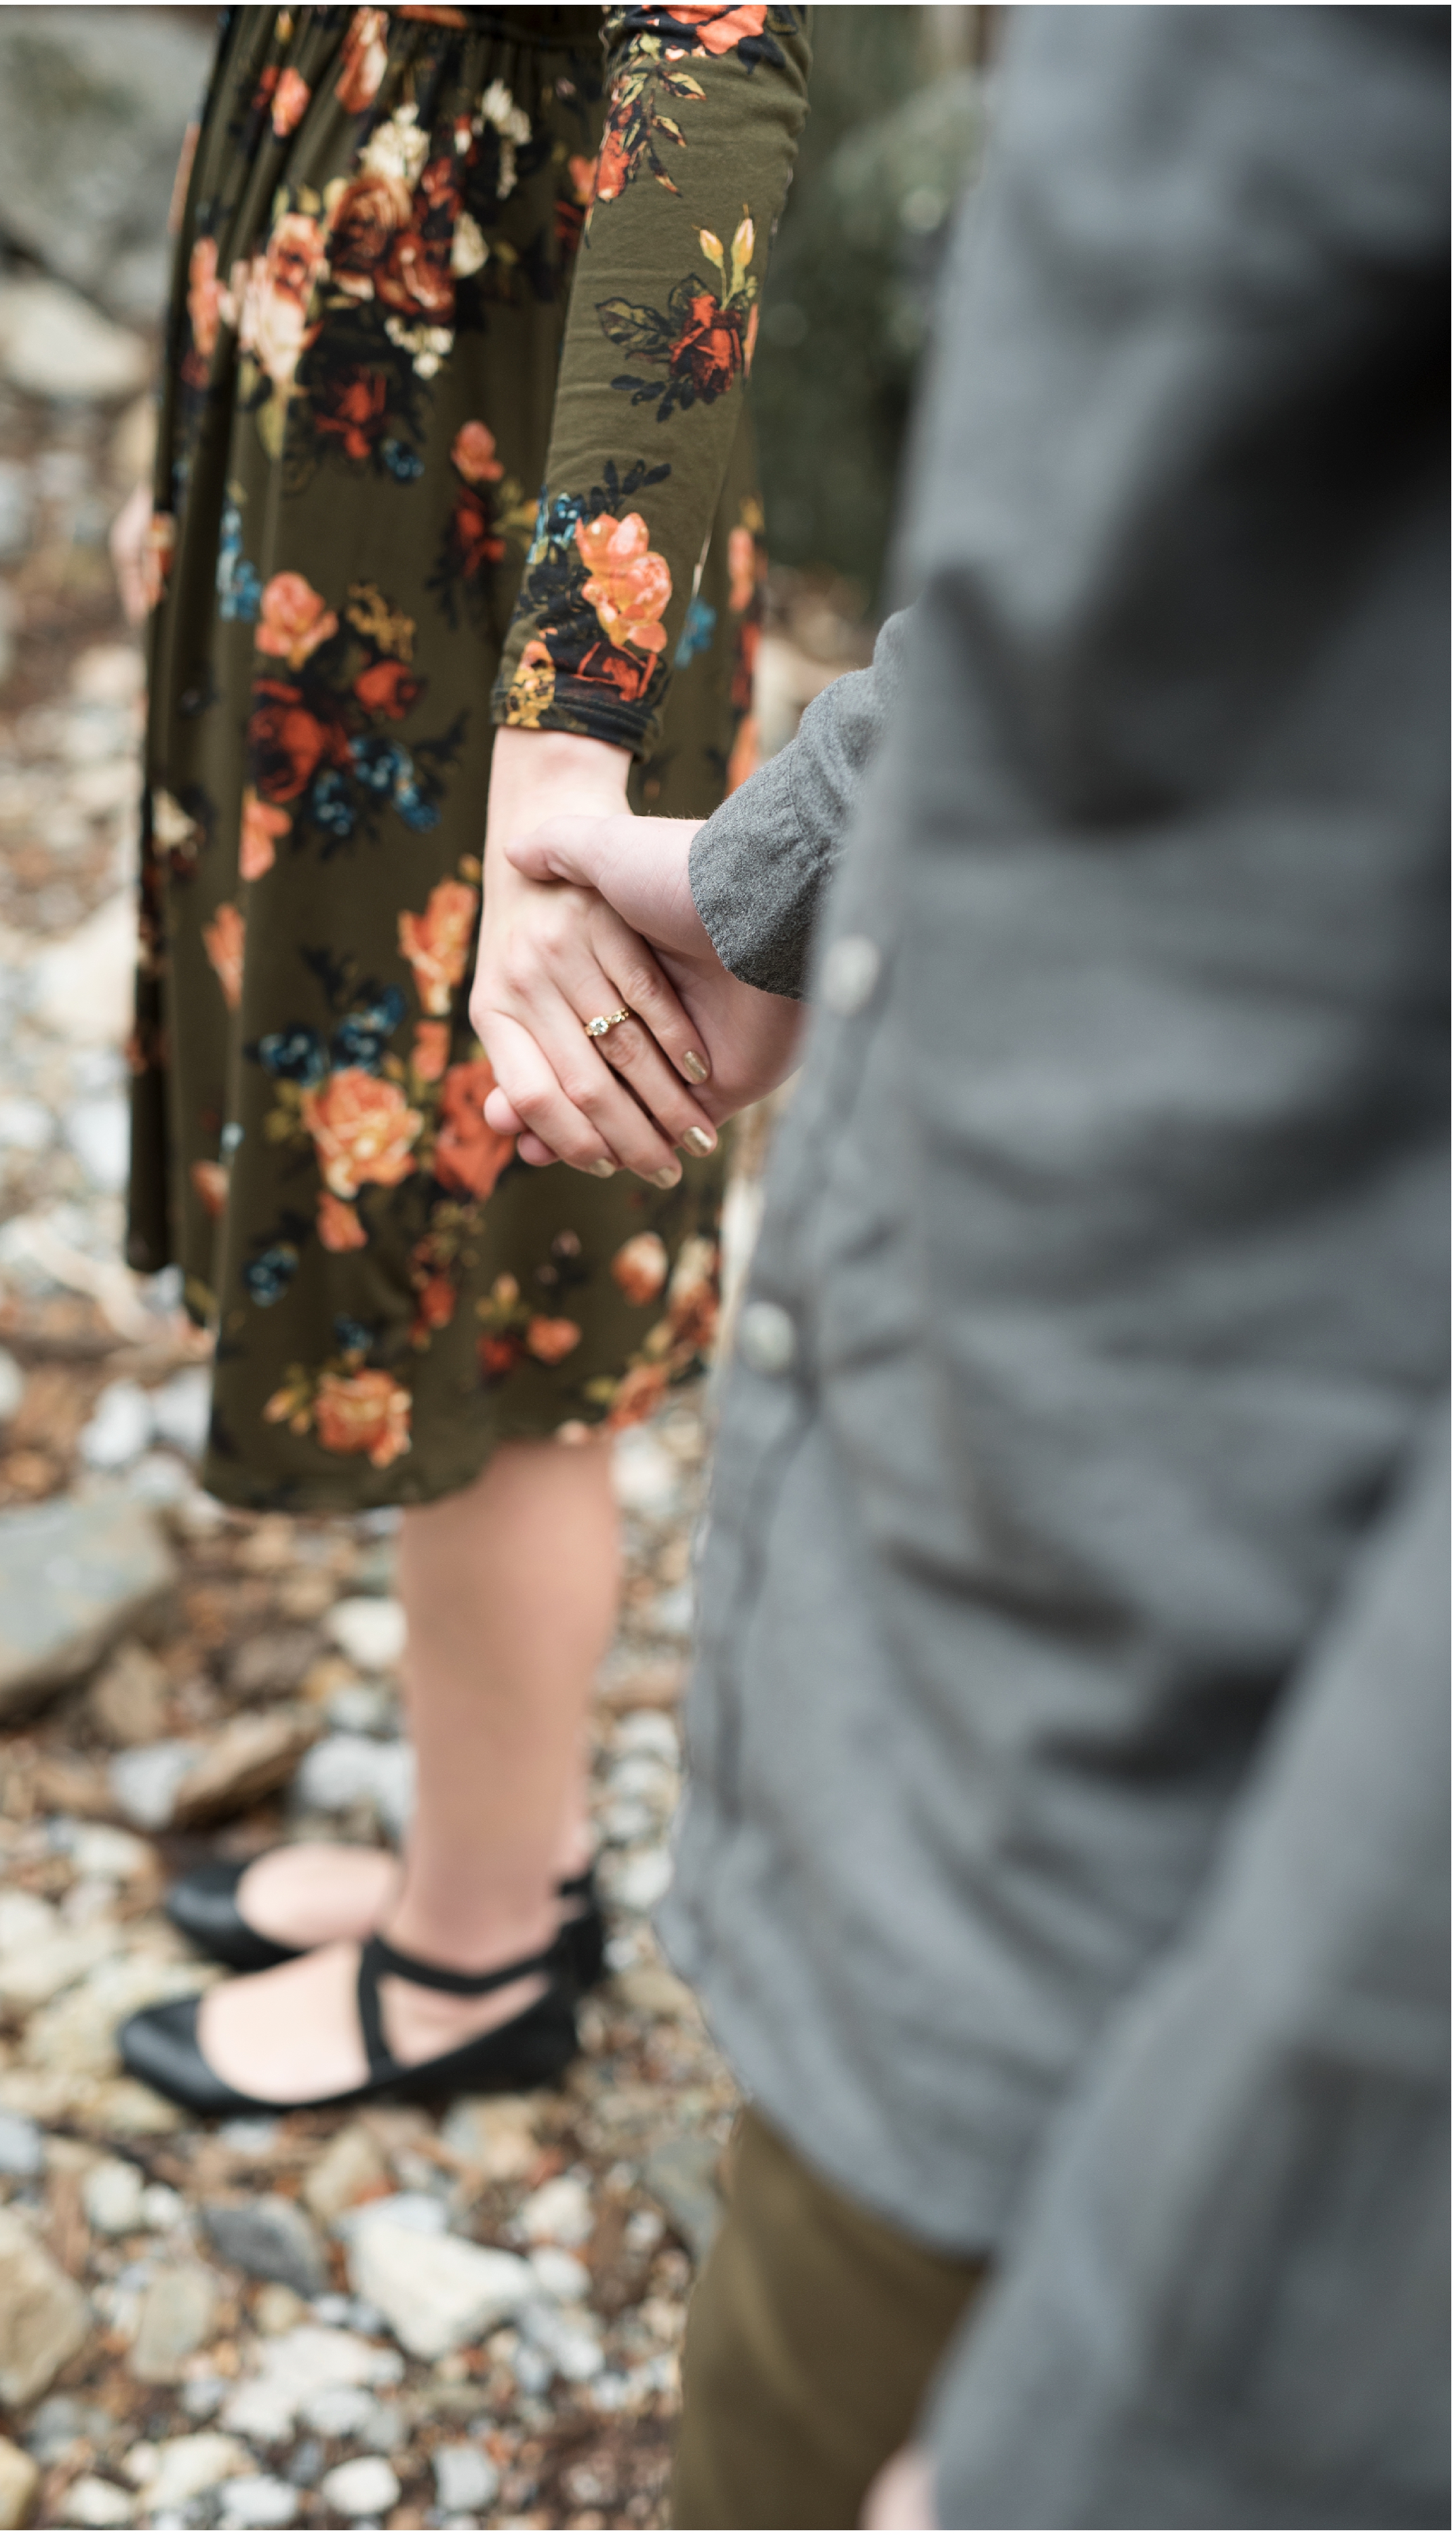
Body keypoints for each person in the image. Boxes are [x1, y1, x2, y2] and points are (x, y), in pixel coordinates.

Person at [483, 7, 1451, 2525]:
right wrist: (801, 863)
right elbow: (1208, 506)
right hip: (985, 1780)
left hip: (1200, 1918)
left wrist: (1168, 2396)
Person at [109, 5, 810, 2117]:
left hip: (497, 574)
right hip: (357, 490)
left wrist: (560, 755)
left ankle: (482, 1946)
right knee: (435, 1211)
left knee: (496, 1280)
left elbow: (712, 82)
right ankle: (486, 1843)